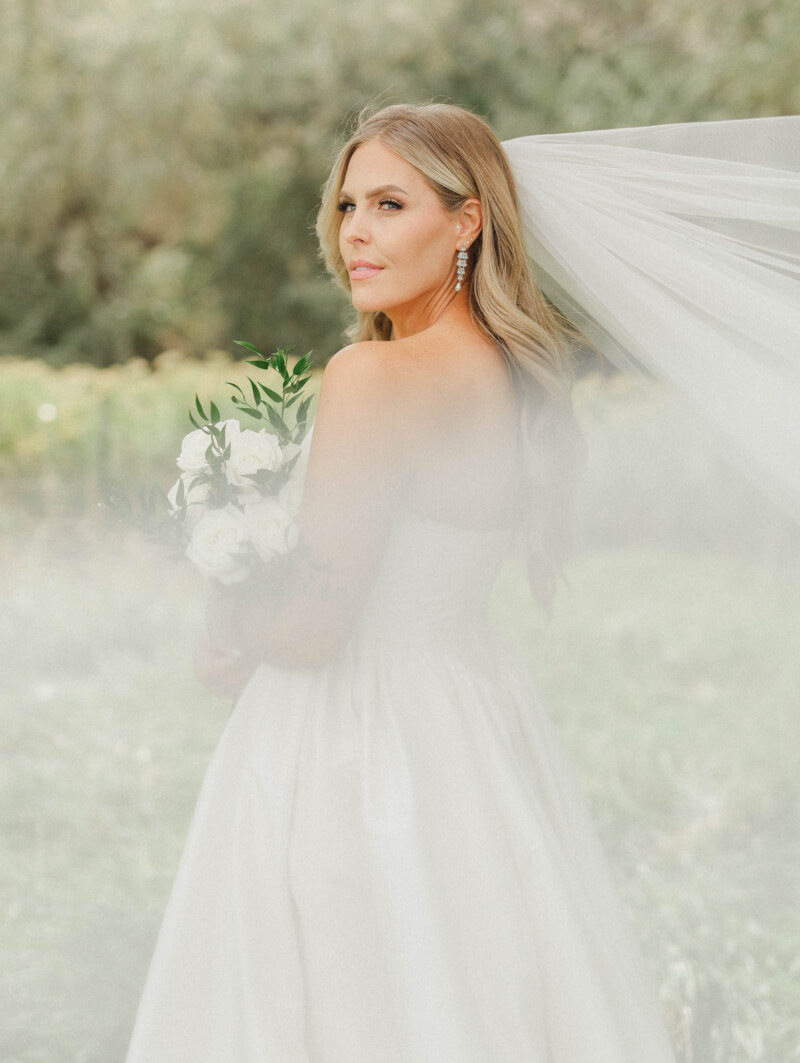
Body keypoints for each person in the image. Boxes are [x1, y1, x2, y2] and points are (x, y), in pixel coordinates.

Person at [125, 99, 798, 1063]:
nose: (356, 230)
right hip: (472, 729)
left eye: (391, 204)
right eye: (349, 205)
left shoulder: (373, 377)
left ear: (467, 220)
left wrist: (234, 604)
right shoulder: (514, 376)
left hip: (353, 746)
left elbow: (318, 631)